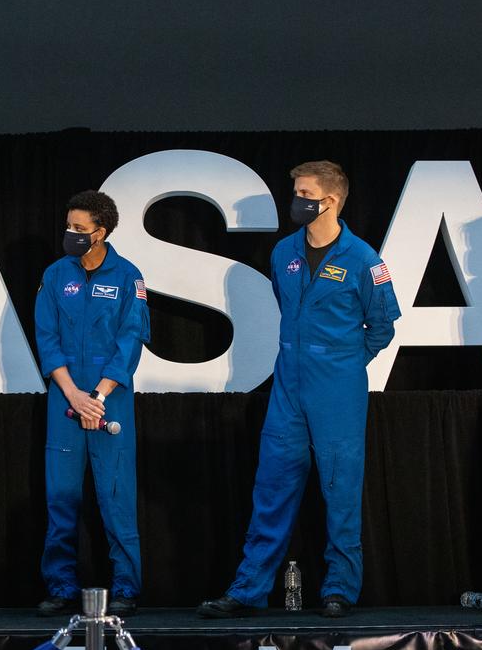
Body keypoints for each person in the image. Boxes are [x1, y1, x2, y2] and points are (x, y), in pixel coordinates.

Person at [198, 161, 400, 619]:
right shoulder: (284, 252)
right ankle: (247, 590)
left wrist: (344, 364)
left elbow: (382, 327)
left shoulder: (365, 260)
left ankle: (339, 590)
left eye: (304, 192)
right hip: (288, 387)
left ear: (328, 200)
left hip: (338, 392)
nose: (296, 200)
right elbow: (287, 310)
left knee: (340, 492)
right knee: (271, 489)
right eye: (296, 191)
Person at [33, 191, 150, 617]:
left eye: (80, 230)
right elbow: (46, 339)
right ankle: (61, 585)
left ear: (101, 233)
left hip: (109, 401)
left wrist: (97, 397)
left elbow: (130, 341)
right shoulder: (54, 274)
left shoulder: (127, 276)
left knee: (116, 496)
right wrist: (73, 394)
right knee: (61, 496)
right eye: (69, 227)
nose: (71, 235)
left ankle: (125, 587)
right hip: (65, 397)